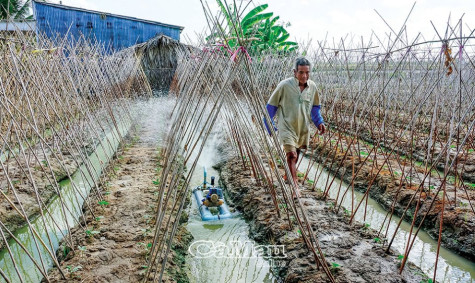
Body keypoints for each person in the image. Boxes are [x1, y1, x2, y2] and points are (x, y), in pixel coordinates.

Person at [264, 57, 325, 197]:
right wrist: (270, 125)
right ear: (294, 72)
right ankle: (295, 186)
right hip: (286, 126)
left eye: (307, 72)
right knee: (292, 155)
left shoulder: (313, 87)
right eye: (301, 72)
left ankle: (288, 175)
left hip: (302, 127)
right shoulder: (284, 86)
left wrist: (319, 122)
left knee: (296, 155)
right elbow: (270, 108)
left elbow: (315, 108)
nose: (304, 76)